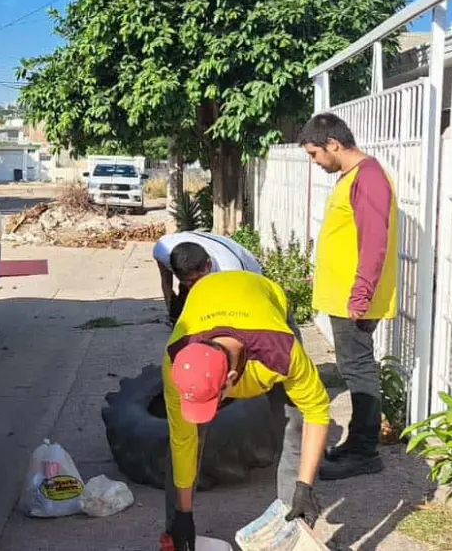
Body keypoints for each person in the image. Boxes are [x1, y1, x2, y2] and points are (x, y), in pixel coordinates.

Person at [162, 270, 330, 551]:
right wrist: (183, 514)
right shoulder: (176, 361)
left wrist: (305, 486)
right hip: (206, 297)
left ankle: (292, 524)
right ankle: (178, 533)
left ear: (230, 381)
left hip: (263, 299)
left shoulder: (280, 352)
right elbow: (183, 442)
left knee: (294, 423)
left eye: (213, 402)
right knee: (186, 436)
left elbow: (317, 410)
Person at [298, 113, 398, 481]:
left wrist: (361, 294)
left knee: (359, 369)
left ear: (334, 145)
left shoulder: (368, 178)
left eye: (314, 154)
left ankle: (365, 451)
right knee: (354, 368)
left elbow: (374, 240)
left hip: (354, 299)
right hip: (344, 295)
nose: (315, 161)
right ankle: (357, 442)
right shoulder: (353, 177)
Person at [153, 232, 263, 323]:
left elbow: (237, 309)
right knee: (179, 316)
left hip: (249, 276)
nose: (194, 286)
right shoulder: (163, 249)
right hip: (204, 250)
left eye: (196, 280)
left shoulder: (231, 270)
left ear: (208, 265)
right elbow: (166, 279)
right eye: (187, 281)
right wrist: (170, 305)